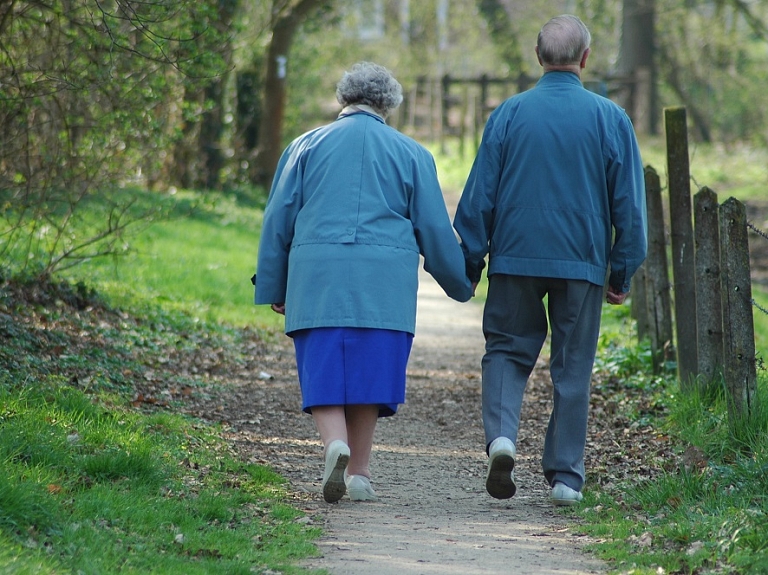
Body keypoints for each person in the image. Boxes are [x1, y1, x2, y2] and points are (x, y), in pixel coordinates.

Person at [253, 62, 473, 504]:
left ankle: (334, 445)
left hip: (317, 276)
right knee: (371, 374)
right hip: (383, 283)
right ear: (388, 104)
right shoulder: (413, 154)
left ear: (343, 98)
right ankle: (359, 473)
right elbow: (433, 228)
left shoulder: (303, 146)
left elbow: (278, 220)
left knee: (324, 369)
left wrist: (276, 285)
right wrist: (460, 281)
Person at [454, 15, 647, 506]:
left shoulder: (508, 114)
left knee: (505, 349)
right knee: (573, 366)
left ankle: (501, 437)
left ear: (538, 58)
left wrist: (470, 261)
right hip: (582, 260)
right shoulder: (610, 118)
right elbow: (629, 206)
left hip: (515, 256)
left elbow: (479, 197)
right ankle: (565, 478)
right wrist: (620, 271)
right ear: (585, 59)